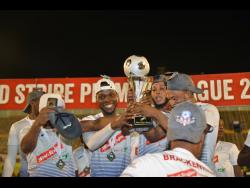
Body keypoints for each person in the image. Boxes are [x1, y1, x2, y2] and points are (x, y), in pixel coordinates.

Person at [140, 72, 220, 172]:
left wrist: (155, 113)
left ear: (187, 93)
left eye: (174, 98)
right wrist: (140, 116)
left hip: (202, 171)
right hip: (178, 171)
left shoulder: (207, 109)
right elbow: (153, 136)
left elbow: (191, 133)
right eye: (169, 99)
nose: (171, 103)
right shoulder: (173, 114)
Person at [121, 101, 215, 177]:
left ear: (169, 134)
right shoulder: (209, 174)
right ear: (202, 138)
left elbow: (124, 129)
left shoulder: (143, 166)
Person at [80, 76, 132, 177]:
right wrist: (115, 125)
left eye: (111, 95)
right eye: (102, 97)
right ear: (96, 99)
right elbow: (91, 145)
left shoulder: (128, 118)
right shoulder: (89, 120)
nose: (107, 100)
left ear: (117, 96)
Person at [20, 93, 76, 177]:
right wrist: (37, 124)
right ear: (41, 111)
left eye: (57, 110)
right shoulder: (28, 130)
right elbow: (25, 148)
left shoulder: (67, 128)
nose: (52, 114)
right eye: (48, 110)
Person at [2, 89, 44, 177]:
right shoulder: (17, 126)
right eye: (42, 100)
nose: (45, 104)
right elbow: (11, 159)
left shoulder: (52, 125)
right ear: (32, 103)